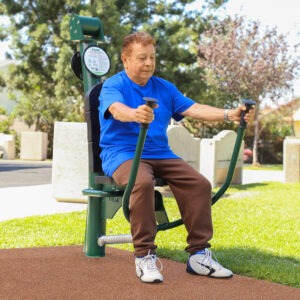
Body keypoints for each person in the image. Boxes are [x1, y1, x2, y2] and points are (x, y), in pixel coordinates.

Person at [99, 32, 253, 284]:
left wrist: (230, 115)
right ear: (125, 60)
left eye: (151, 57)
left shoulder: (164, 88)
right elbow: (116, 109)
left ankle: (199, 255)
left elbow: (194, 108)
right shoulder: (113, 85)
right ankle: (144, 256)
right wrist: (135, 114)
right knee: (142, 182)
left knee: (199, 184)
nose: (148, 63)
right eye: (141, 58)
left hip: (160, 153)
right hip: (123, 152)